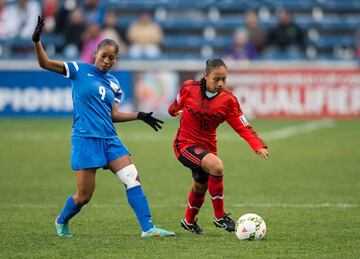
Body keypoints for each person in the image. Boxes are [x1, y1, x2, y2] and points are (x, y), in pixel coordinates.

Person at [32, 16, 175, 238]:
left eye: (112, 58)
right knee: (84, 196)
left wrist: (139, 115)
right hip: (85, 138)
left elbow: (113, 115)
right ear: (95, 54)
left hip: (109, 138)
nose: (107, 60)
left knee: (132, 177)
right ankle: (61, 220)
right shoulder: (78, 69)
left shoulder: (115, 84)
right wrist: (37, 41)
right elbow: (45, 63)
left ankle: (148, 228)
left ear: (116, 60)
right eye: (104, 56)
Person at [168, 58, 268, 234]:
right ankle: (220, 217)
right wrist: (174, 111)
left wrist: (257, 145)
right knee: (217, 166)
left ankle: (188, 221)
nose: (221, 83)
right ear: (205, 76)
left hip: (208, 148)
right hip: (184, 144)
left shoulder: (228, 100)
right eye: (216, 79)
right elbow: (175, 104)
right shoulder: (188, 88)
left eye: (224, 79)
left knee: (200, 185)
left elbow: (242, 125)